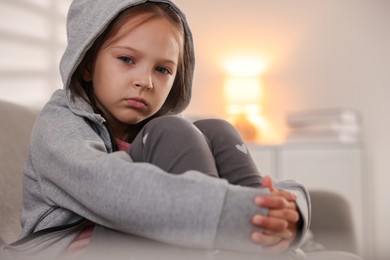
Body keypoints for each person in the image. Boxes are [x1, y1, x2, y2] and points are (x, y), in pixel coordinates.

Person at [1, 0, 313, 259]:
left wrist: (289, 210)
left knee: (216, 129)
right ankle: (243, 233)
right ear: (86, 64)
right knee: (172, 130)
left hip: (133, 240)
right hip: (71, 250)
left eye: (162, 69)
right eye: (126, 59)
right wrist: (233, 215)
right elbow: (113, 189)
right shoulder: (59, 124)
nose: (145, 82)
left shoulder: (149, 132)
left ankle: (267, 232)